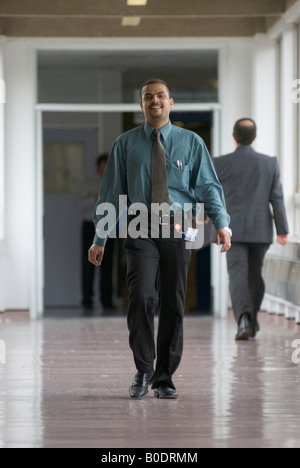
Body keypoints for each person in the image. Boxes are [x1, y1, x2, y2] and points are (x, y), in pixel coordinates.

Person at [89, 78, 231, 399]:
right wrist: (100, 237)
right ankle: (144, 369)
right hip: (139, 226)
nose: (155, 101)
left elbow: (208, 186)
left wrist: (221, 223)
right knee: (141, 295)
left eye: (161, 96)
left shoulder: (191, 142)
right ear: (141, 105)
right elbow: (111, 193)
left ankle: (165, 377)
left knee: (173, 301)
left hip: (180, 227)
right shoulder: (125, 144)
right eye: (148, 97)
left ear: (171, 102)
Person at [214, 118, 289, 341]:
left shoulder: (219, 163)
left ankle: (244, 319)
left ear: (234, 136)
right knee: (255, 276)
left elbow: (213, 196)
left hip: (230, 230)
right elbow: (277, 198)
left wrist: (209, 223)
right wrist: (282, 229)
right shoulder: (269, 163)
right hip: (260, 229)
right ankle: (251, 318)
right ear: (255, 137)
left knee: (237, 275)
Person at [79, 154, 115, 312]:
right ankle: (87, 300)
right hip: (90, 225)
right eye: (104, 165)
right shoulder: (87, 183)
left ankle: (107, 300)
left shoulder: (115, 183)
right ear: (98, 166)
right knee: (88, 263)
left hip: (109, 226)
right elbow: (79, 205)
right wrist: (94, 198)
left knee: (108, 265)